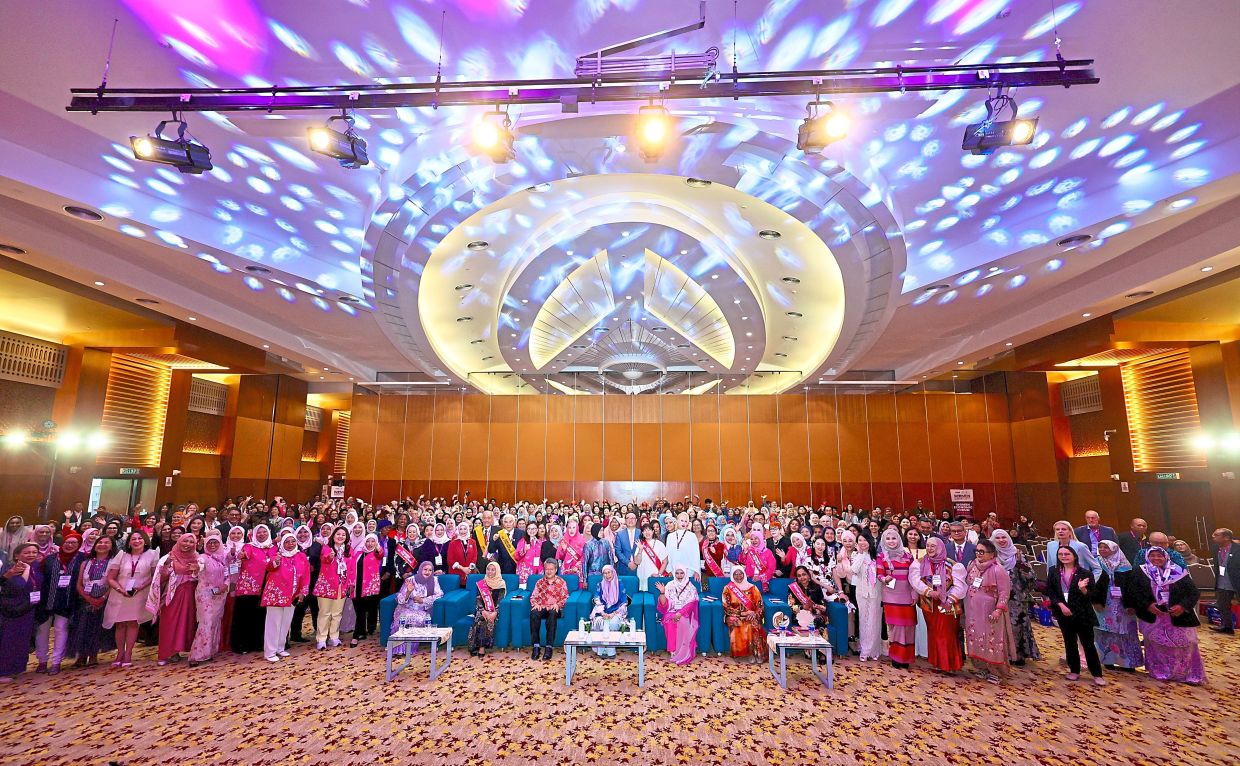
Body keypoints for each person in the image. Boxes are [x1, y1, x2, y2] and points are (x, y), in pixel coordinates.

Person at [1126, 546, 1205, 684]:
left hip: (1177, 616)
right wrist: (1147, 605)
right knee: (1156, 645)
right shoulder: (1141, 571)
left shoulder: (1178, 571)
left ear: (1166, 557)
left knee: (1184, 645)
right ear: (1147, 557)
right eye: (1152, 555)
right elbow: (1133, 592)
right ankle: (1161, 671)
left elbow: (1193, 593)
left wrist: (1182, 606)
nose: (1156, 558)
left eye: (1159, 555)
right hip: (1153, 616)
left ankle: (1184, 673)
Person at [1045, 545, 1107, 686]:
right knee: (1069, 643)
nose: (1063, 556)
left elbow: (1092, 595)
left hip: (1082, 613)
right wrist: (1061, 605)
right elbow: (1050, 591)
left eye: (1067, 554)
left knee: (1088, 644)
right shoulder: (1054, 571)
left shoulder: (1085, 573)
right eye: (1061, 554)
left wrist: (1083, 589)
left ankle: (1097, 673)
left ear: (1074, 556)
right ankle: (1074, 670)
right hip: (1063, 613)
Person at [910, 537, 967, 673]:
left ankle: (950, 664)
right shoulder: (919, 563)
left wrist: (949, 599)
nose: (929, 549)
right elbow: (914, 580)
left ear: (940, 547)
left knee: (948, 633)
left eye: (933, 546)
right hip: (929, 604)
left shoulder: (953, 565)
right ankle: (937, 662)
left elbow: (960, 585)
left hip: (948, 605)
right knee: (934, 632)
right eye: (928, 546)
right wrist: (928, 592)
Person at [103, 530, 159, 667]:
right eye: (133, 539)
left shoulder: (152, 554)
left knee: (133, 623)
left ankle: (128, 653)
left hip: (139, 593)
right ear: (129, 542)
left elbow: (154, 576)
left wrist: (141, 587)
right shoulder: (122, 556)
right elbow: (110, 578)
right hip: (120, 593)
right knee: (120, 624)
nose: (136, 541)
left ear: (145, 540)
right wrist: (119, 589)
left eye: (140, 538)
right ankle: (120, 653)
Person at [963, 540, 1014, 683]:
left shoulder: (998, 570)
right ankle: (982, 668)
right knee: (975, 637)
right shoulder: (972, 566)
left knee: (991, 639)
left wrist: (998, 610)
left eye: (982, 552)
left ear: (992, 554)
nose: (979, 554)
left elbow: (1004, 592)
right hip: (973, 610)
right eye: (977, 551)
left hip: (990, 612)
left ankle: (996, 672)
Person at [989, 530, 1040, 664]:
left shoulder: (1017, 555)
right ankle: (999, 653)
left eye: (1004, 537)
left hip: (1016, 598)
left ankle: (1017, 655)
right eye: (998, 538)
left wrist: (1019, 563)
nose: (1001, 540)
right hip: (995, 597)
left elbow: (1032, 577)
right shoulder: (990, 556)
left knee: (1016, 627)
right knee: (997, 626)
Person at [150, 532, 200, 666]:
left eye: (191, 542)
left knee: (187, 623)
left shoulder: (197, 557)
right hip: (173, 595)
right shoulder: (169, 557)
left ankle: (183, 651)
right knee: (170, 623)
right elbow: (159, 580)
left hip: (191, 595)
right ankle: (168, 652)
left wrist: (197, 570)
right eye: (185, 541)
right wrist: (165, 567)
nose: (188, 544)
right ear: (179, 541)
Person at [65, 534, 115, 668]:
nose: (102, 545)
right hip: (85, 600)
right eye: (100, 542)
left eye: (106, 542)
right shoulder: (86, 563)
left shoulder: (114, 563)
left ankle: (93, 655)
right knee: (82, 628)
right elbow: (79, 584)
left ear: (111, 547)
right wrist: (89, 599)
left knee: (97, 629)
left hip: (103, 601)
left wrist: (102, 598)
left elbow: (113, 583)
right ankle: (81, 656)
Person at [34, 532, 81, 674]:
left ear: (79, 545)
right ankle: (42, 661)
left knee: (61, 630)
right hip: (46, 601)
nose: (70, 545)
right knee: (42, 631)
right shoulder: (49, 559)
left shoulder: (82, 560)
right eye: (67, 542)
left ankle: (56, 662)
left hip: (67, 602)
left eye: (74, 543)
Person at [1093, 540, 1143, 671]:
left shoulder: (1125, 566)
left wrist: (1132, 604)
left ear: (1114, 549)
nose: (1102, 550)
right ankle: (1107, 659)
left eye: (1106, 547)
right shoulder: (1096, 563)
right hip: (1104, 605)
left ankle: (1128, 663)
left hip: (1123, 605)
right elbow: (1092, 585)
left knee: (1125, 632)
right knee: (1104, 631)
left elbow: (1132, 588)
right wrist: (1095, 601)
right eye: (1100, 547)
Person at [261, 532, 310, 662]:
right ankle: (270, 651)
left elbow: (305, 575)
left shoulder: (301, 556)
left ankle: (280, 647)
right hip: (275, 594)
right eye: (287, 542)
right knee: (273, 623)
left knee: (285, 622)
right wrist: (275, 562)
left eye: (292, 541)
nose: (290, 544)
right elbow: (269, 567)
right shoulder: (277, 556)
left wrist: (302, 591)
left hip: (292, 594)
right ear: (282, 544)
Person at [875, 527, 916, 669]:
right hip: (891, 597)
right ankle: (897, 657)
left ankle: (906, 657)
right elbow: (879, 573)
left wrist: (915, 593)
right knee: (895, 628)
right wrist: (883, 578)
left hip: (907, 595)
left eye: (893, 538)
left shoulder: (908, 556)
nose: (891, 541)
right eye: (888, 538)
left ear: (898, 539)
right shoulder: (881, 556)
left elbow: (914, 577)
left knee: (908, 627)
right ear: (883, 541)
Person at [0, 543, 42, 680]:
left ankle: (14, 668)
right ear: (17, 555)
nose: (31, 555)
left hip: (28, 610)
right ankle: (3, 671)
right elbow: (12, 585)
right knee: (8, 642)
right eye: (26, 552)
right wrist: (12, 573)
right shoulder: (9, 568)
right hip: (10, 611)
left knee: (21, 641)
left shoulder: (36, 567)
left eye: (34, 552)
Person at [188, 534, 229, 666]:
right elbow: (199, 566)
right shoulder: (203, 557)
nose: (212, 545)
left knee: (215, 622)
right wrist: (196, 568)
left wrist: (226, 585)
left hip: (220, 594)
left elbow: (228, 573)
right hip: (205, 595)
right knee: (205, 622)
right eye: (210, 543)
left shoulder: (223, 557)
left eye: (215, 543)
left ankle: (209, 651)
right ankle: (197, 655)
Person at [313, 526, 355, 650]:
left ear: (346, 537)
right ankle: (321, 638)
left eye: (343, 535)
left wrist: (351, 583)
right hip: (326, 585)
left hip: (342, 585)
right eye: (338, 534)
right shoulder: (327, 548)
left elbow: (351, 568)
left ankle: (334, 637)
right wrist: (331, 557)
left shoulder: (349, 550)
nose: (340, 536)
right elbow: (325, 559)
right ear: (333, 535)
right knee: (324, 613)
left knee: (337, 613)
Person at [655, 564, 699, 665]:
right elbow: (664, 605)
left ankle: (683, 649)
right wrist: (662, 593)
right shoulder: (670, 585)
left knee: (683, 621)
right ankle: (672, 650)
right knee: (670, 621)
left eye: (682, 573)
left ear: (685, 573)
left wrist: (680, 613)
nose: (679, 576)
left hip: (686, 613)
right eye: (677, 573)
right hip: (671, 611)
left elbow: (692, 604)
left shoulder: (690, 587)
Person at [721, 566, 765, 664]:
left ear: (744, 574)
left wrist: (754, 613)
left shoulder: (753, 588)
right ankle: (744, 653)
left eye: (740, 573)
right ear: (732, 576)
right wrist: (743, 613)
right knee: (735, 621)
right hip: (734, 615)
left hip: (751, 614)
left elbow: (760, 605)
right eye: (735, 574)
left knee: (753, 622)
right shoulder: (727, 589)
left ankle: (755, 653)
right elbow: (726, 608)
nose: (738, 576)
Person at [528, 558, 568, 661]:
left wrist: (558, 604)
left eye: (551, 569)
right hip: (542, 607)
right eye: (547, 569)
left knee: (553, 613)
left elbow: (565, 597)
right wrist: (536, 604)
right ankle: (536, 646)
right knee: (534, 613)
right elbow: (533, 597)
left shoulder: (561, 582)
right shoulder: (540, 582)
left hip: (554, 609)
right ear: (544, 570)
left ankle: (549, 647)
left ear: (556, 570)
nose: (549, 571)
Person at [850, 536, 883, 661]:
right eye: (860, 541)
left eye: (865, 540)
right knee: (864, 619)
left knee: (874, 620)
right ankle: (864, 650)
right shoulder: (857, 556)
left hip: (876, 592)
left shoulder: (877, 556)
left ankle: (874, 650)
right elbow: (853, 570)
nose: (863, 543)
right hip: (862, 592)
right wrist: (861, 554)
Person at [392, 561, 443, 639]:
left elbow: (439, 594)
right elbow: (400, 600)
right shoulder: (410, 580)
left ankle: (410, 647)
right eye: (425, 569)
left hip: (422, 610)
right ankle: (398, 646)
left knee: (419, 619)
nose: (427, 572)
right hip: (406, 608)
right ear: (420, 570)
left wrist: (423, 600)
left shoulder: (434, 580)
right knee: (403, 619)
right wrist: (408, 592)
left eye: (430, 570)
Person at [350, 533, 384, 646]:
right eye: (368, 541)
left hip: (369, 587)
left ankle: (356, 635)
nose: (370, 544)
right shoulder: (359, 553)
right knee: (359, 611)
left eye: (373, 541)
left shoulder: (376, 553)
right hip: (357, 585)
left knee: (365, 610)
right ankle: (361, 632)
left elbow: (380, 555)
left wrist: (379, 550)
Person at [589, 565, 629, 657]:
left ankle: (610, 650)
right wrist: (603, 613)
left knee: (613, 623)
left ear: (613, 572)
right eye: (605, 573)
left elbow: (623, 602)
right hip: (602, 612)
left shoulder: (620, 584)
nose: (607, 575)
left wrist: (613, 614)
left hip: (616, 612)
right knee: (600, 622)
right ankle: (601, 650)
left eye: (609, 572)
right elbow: (597, 599)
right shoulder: (600, 585)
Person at [468, 562, 506, 657]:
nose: (490, 572)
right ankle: (474, 646)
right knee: (480, 618)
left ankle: (481, 648)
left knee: (487, 621)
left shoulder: (501, 584)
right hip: (482, 610)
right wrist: (483, 610)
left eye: (493, 570)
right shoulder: (482, 583)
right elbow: (478, 599)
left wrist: (495, 612)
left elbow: (500, 601)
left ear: (497, 571)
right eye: (488, 569)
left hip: (495, 611)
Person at [290, 525, 320, 643]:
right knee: (298, 610)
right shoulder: (293, 546)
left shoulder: (316, 546)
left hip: (314, 582)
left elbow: (322, 562)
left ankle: (319, 633)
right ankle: (295, 635)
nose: (303, 535)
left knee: (316, 609)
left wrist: (314, 567)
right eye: (300, 532)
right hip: (298, 584)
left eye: (305, 532)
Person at [1210, 528, 1238, 635]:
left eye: (1216, 535)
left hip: (1236, 581)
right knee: (1223, 605)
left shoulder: (1237, 549)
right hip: (1222, 581)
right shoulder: (1215, 548)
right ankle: (1227, 627)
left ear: (1226, 537)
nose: (1213, 536)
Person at [665, 513, 702, 579]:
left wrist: (696, 571)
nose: (683, 523)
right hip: (674, 570)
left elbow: (696, 554)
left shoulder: (692, 536)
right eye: (682, 521)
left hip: (689, 570)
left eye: (686, 521)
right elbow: (667, 554)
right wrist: (669, 570)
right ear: (677, 521)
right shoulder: (670, 536)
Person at [633, 523, 667, 591]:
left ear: (653, 531)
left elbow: (665, 561)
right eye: (645, 530)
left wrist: (659, 574)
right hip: (642, 576)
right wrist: (640, 550)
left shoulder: (659, 544)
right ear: (642, 533)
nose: (647, 532)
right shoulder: (640, 544)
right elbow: (637, 562)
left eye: (649, 530)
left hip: (655, 577)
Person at [446, 521, 479, 588]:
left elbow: (475, 556)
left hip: (470, 573)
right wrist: (462, 568)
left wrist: (470, 568)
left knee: (470, 593)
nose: (463, 531)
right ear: (458, 530)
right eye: (461, 529)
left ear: (468, 529)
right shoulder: (452, 543)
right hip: (457, 574)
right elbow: (450, 560)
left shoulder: (473, 542)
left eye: (465, 529)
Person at [613, 510, 641, 577]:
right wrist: (628, 563)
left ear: (636, 520)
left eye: (632, 518)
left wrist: (636, 563)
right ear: (625, 521)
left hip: (639, 567)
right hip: (624, 567)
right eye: (628, 518)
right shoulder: (619, 534)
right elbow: (618, 551)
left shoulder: (641, 533)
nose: (630, 520)